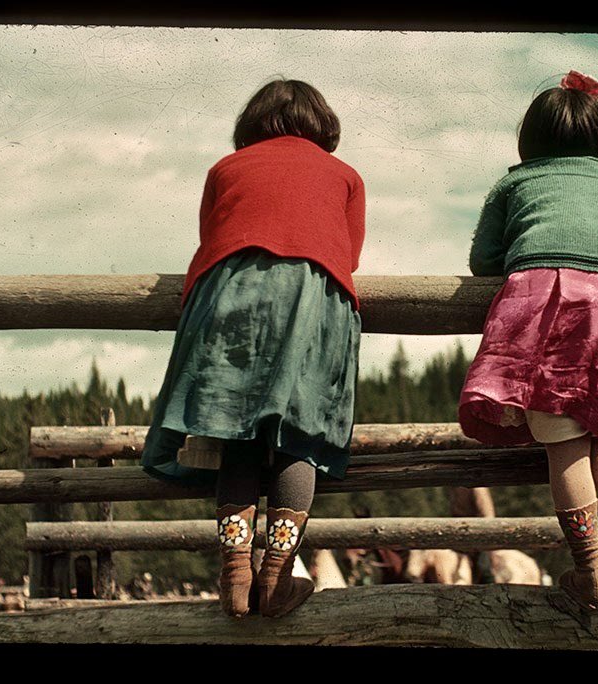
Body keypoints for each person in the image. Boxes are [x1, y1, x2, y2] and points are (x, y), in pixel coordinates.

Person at [458, 70, 598, 610]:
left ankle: (589, 574)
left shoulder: (514, 184)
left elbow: (482, 260)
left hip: (542, 309)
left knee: (563, 444)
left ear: (529, 139)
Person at [140, 79, 366, 619]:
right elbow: (349, 254)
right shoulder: (345, 176)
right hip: (313, 295)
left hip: (230, 290)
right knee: (300, 434)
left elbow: (211, 234)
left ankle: (235, 578)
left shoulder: (225, 168)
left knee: (234, 434)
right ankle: (277, 574)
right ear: (321, 124)